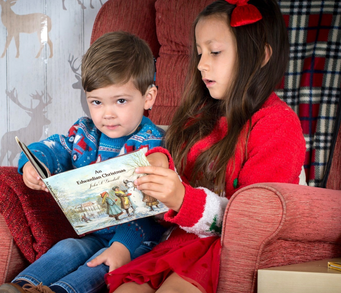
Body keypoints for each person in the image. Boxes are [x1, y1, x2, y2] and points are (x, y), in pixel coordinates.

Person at [106, 0, 306, 293]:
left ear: (261, 56)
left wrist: (181, 199)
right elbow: (177, 179)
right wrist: (159, 166)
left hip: (233, 250)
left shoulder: (278, 124)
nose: (201, 64)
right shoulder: (199, 118)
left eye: (214, 52)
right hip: (180, 243)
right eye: (199, 53)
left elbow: (254, 219)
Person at [0, 31, 167, 293]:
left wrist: (123, 247)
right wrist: (33, 164)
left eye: (120, 101)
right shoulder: (85, 133)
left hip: (137, 238)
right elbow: (54, 147)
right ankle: (17, 288)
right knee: (67, 247)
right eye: (96, 102)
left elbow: (152, 209)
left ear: (148, 97)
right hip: (92, 233)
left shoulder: (150, 144)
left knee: (103, 264)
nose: (107, 113)